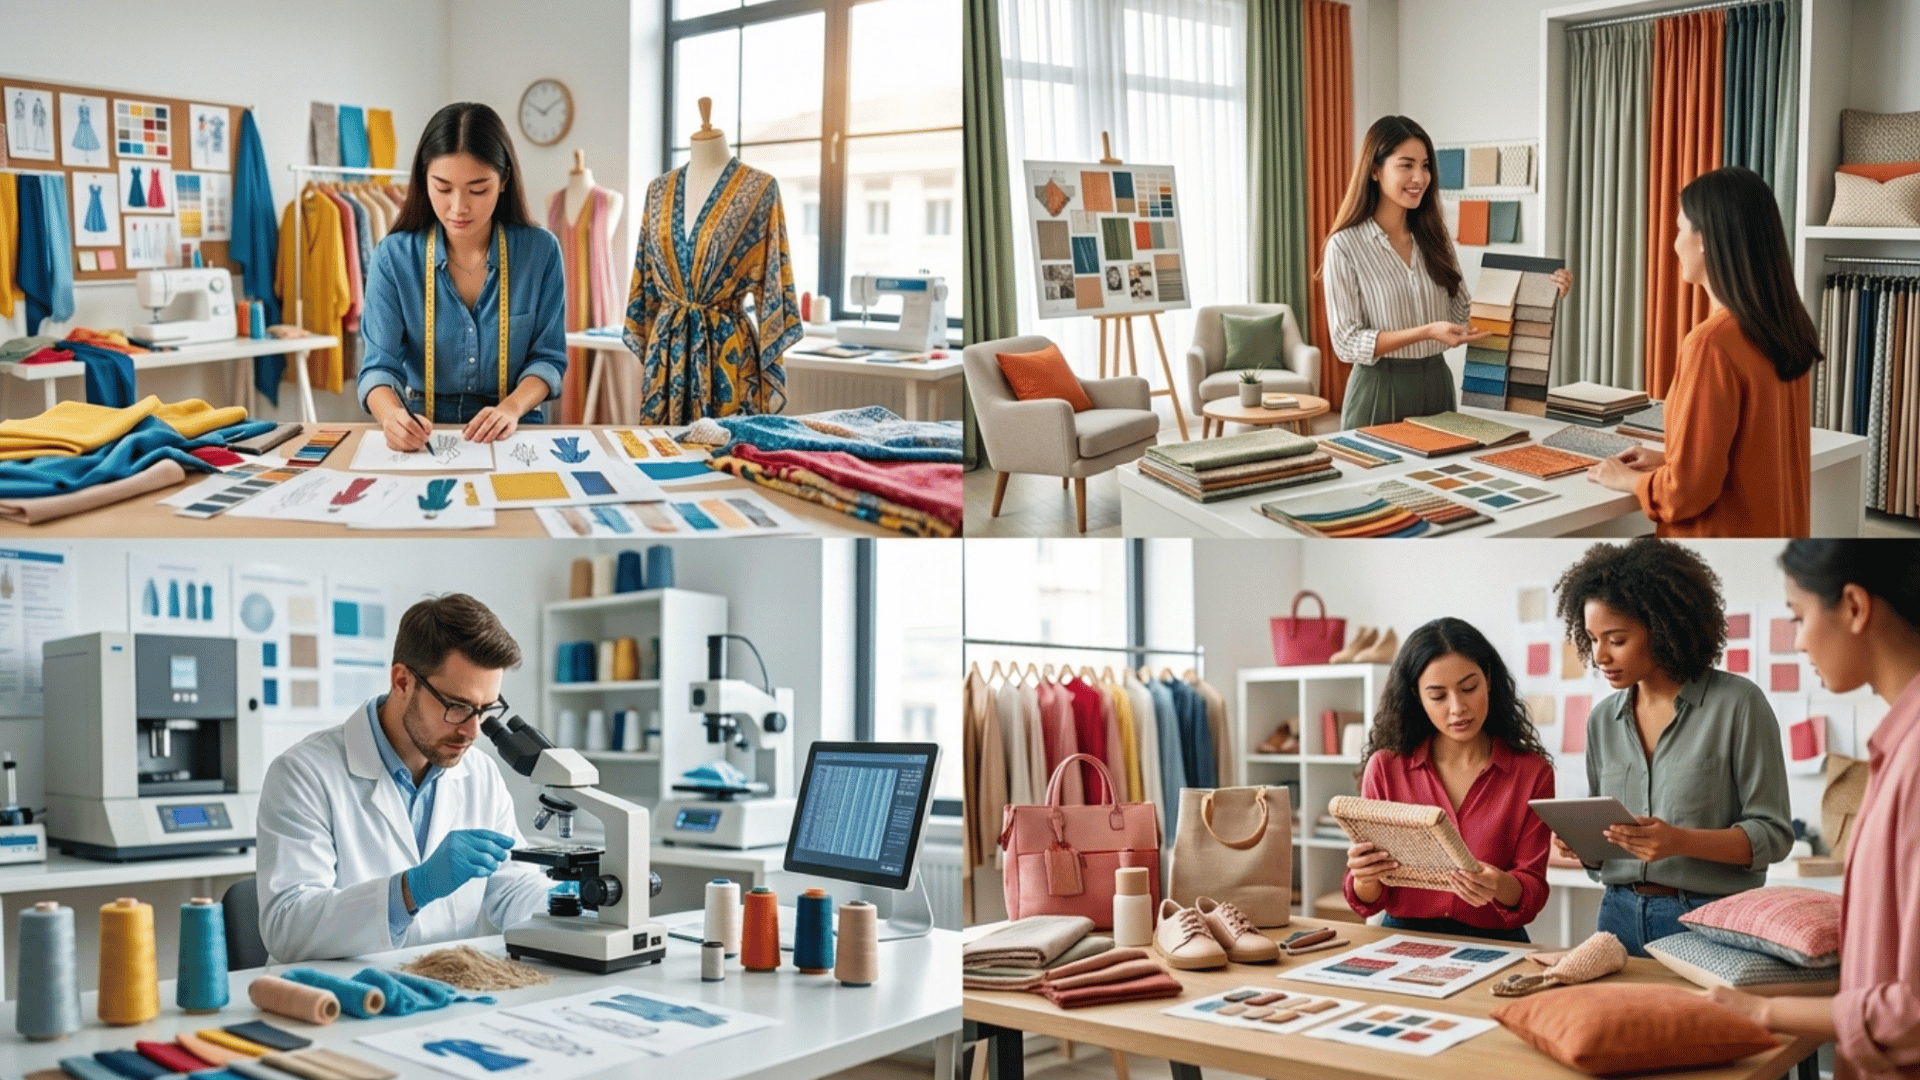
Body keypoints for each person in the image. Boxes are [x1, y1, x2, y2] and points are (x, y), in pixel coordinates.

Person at [1706, 541, 1920, 1080]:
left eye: (1799, 617)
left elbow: (1913, 1011)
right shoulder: (1897, 742)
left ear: (1854, 607)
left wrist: (1764, 1011)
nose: (1798, 642)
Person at [257, 593, 551, 961]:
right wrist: (412, 889)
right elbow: (286, 927)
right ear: (401, 681)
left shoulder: (480, 774)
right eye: (457, 706)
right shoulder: (302, 773)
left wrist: (567, 904)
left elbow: (512, 887)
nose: (472, 731)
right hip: (337, 990)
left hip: (442, 984)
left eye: (484, 709)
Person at [1551, 538, 1792, 956]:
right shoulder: (1602, 720)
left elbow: (1773, 836)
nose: (1600, 656)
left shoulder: (1738, 704)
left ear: (1662, 628)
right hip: (1616, 915)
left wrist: (1681, 841)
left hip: (1706, 919)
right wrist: (1585, 849)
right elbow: (1607, 847)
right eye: (1592, 639)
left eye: (1616, 639)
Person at [1588, 166, 1820, 536]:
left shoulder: (1711, 344)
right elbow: (1752, 457)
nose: (1674, 243)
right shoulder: (1784, 327)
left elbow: (1685, 495)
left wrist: (1628, 480)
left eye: (1680, 228)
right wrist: (1670, 462)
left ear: (1706, 240)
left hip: (1715, 550)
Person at [1321, 115, 1571, 428]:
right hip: (1379, 388)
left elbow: (1465, 314)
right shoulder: (1345, 246)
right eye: (1406, 165)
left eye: (1425, 166)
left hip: (1437, 383)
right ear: (1374, 170)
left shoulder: (1435, 238)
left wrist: (1542, 289)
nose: (1419, 177)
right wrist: (1426, 332)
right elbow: (1347, 343)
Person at [360, 102, 568, 450]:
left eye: (478, 189)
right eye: (443, 189)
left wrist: (510, 408)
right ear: (423, 180)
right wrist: (392, 416)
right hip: (424, 427)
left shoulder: (540, 252)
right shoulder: (393, 257)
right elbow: (378, 366)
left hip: (514, 421)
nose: (459, 207)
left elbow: (548, 358)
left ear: (504, 181)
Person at [1344, 617, 1555, 942]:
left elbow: (1533, 890)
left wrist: (1498, 885)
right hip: (1404, 937)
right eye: (1438, 696)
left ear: (1488, 679)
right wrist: (1365, 877)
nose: (1458, 708)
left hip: (1496, 941)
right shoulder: (1386, 768)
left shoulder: (1532, 773)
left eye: (1469, 688)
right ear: (1417, 696)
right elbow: (1368, 900)